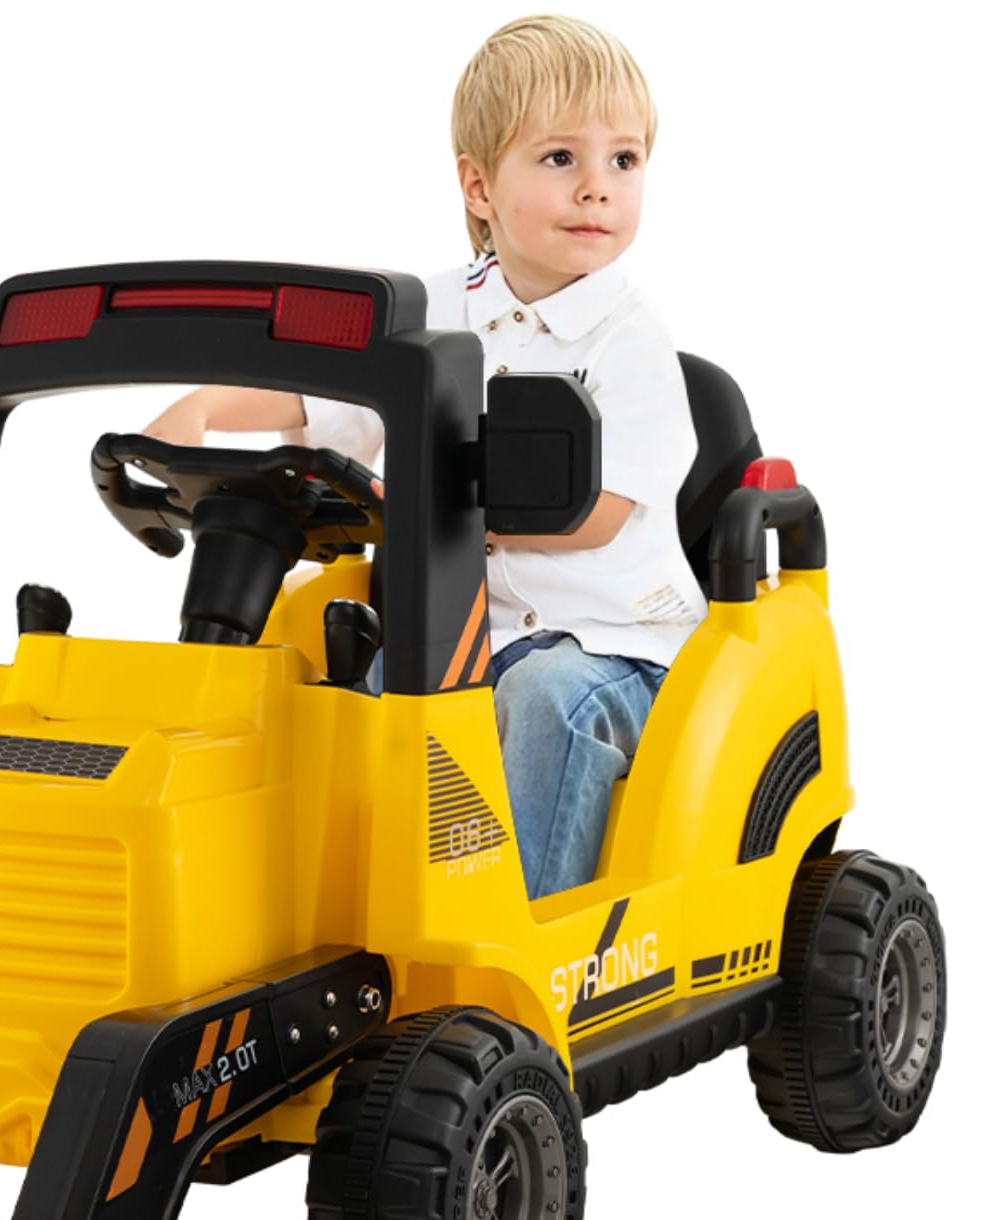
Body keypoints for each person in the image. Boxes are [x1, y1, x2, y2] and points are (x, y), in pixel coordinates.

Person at [142, 14, 706, 901]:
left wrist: (439, 514)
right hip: (461, 635)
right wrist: (207, 407)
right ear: (479, 186)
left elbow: (597, 513)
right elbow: (326, 393)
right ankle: (356, 920)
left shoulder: (631, 342)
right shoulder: (434, 314)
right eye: (562, 157)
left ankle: (516, 945)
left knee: (546, 701)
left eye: (624, 160)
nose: (598, 188)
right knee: (351, 697)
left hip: (613, 644)